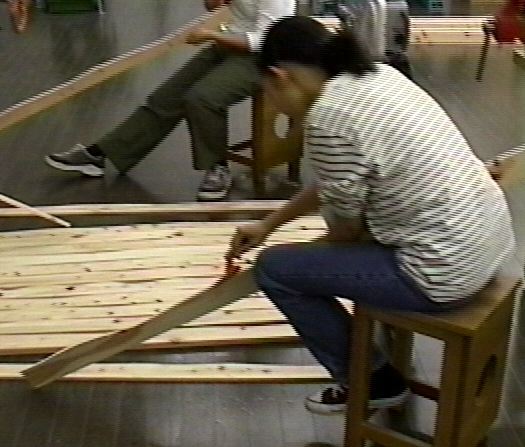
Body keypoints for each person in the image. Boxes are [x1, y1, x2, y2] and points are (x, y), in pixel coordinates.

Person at [226, 16, 516, 414]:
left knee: (275, 270)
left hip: (442, 274)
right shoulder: (378, 75)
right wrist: (269, 224)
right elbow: (338, 182)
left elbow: (345, 232)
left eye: (268, 91)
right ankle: (374, 365)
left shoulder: (327, 119)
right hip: (489, 243)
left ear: (280, 77)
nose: (272, 102)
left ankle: (372, 382)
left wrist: (301, 254)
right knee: (314, 255)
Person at [45, 0, 296, 201]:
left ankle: (217, 168)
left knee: (203, 98)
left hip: (266, 57)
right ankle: (102, 154)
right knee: (166, 97)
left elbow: (263, 41)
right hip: (231, 43)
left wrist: (211, 35)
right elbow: (214, 6)